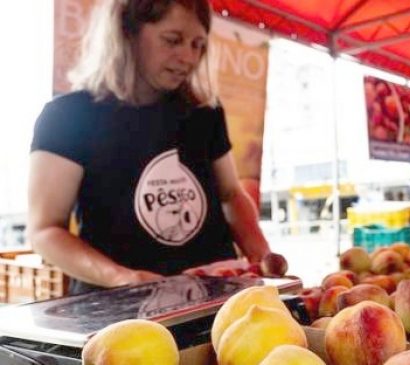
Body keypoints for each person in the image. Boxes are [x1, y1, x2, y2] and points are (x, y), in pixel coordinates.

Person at [27, 0, 274, 295]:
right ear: (126, 32)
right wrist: (122, 277)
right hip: (120, 309)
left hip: (214, 299)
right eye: (173, 40)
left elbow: (231, 194)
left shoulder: (204, 111)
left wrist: (260, 254)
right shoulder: (68, 116)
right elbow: (45, 231)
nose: (188, 57)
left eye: (198, 45)